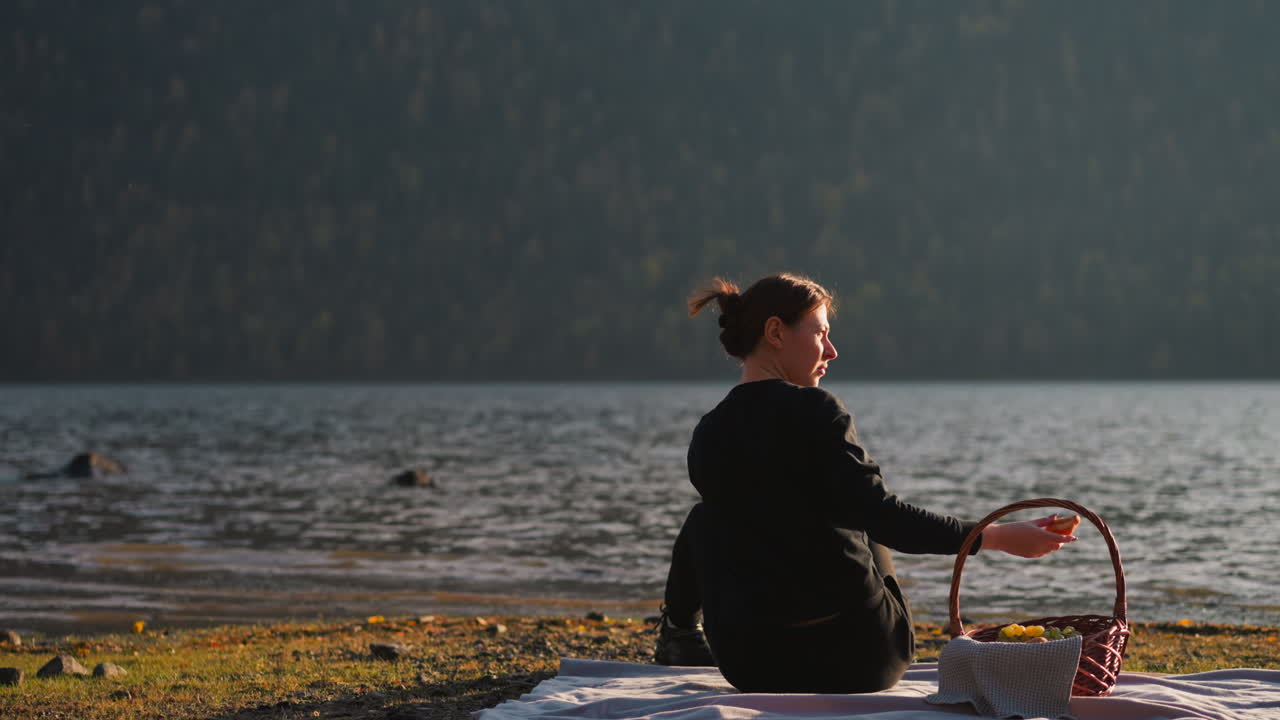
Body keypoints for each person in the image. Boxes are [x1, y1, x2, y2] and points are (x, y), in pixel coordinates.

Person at [654, 273, 1076, 694]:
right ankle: (684, 634)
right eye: (821, 333)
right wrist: (998, 536)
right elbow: (886, 520)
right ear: (775, 332)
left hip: (750, 664)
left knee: (707, 518)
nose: (832, 351)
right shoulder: (816, 409)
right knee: (863, 514)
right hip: (856, 659)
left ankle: (680, 633)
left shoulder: (708, 431)